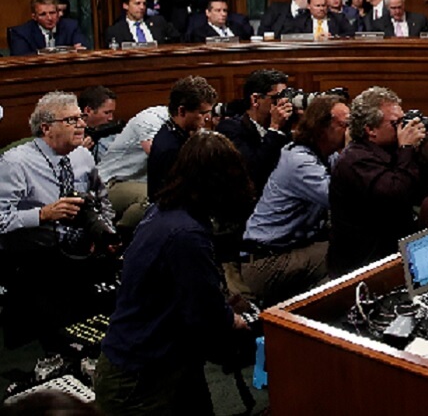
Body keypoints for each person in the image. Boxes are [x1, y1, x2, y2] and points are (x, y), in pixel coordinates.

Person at [95, 132, 252, 415]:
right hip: (142, 378)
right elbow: (206, 316)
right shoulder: (186, 234)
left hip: (153, 361)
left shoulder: (164, 211)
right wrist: (233, 319)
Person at [0, 92, 117, 345]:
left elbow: (102, 198)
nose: (82, 125)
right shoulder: (15, 163)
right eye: (72, 120)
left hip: (83, 251)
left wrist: (104, 231)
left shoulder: (82, 156)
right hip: (38, 258)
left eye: (81, 118)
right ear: (46, 128)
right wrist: (42, 214)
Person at [241, 95, 348, 305]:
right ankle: (300, 320)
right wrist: (353, 147)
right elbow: (343, 199)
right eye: (345, 125)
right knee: (346, 251)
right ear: (322, 128)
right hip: (265, 261)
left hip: (291, 249)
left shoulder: (327, 156)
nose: (350, 131)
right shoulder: (300, 161)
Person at [328, 87, 425, 276]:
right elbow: (396, 193)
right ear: (370, 129)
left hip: (391, 252)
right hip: (363, 266)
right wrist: (406, 148)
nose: (402, 129)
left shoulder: (389, 150)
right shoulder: (355, 159)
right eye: (395, 123)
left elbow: (417, 190)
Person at [215, 69, 294, 196]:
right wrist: (274, 128)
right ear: (255, 100)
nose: (283, 104)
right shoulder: (230, 129)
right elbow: (252, 171)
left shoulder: (284, 129)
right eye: (277, 98)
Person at [98, 104, 171, 230]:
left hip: (137, 182)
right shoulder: (151, 119)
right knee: (152, 198)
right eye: (202, 113)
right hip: (110, 183)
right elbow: (160, 159)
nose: (206, 118)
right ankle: (119, 238)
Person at [146, 76, 217, 200]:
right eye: (202, 113)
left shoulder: (175, 131)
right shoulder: (170, 149)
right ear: (182, 111)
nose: (208, 118)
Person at [7, 0, 89, 55]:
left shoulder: (71, 26)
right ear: (34, 17)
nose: (49, 18)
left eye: (52, 13)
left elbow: (82, 48)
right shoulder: (21, 33)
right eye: (43, 14)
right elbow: (21, 57)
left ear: (58, 13)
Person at [103, 0, 181, 46]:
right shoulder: (115, 31)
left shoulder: (158, 22)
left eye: (144, 4)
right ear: (126, 6)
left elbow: (178, 41)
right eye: (137, 3)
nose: (142, 7)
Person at [282, 0, 354, 38]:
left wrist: (333, 37)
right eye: (317, 6)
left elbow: (350, 34)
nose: (321, 9)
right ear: (309, 6)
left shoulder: (338, 18)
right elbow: (289, 36)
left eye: (323, 5)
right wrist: (313, 37)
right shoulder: (300, 20)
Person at [183, 0, 248, 41]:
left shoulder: (237, 28)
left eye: (225, 10)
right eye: (218, 10)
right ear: (208, 13)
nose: (223, 14)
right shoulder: (200, 34)